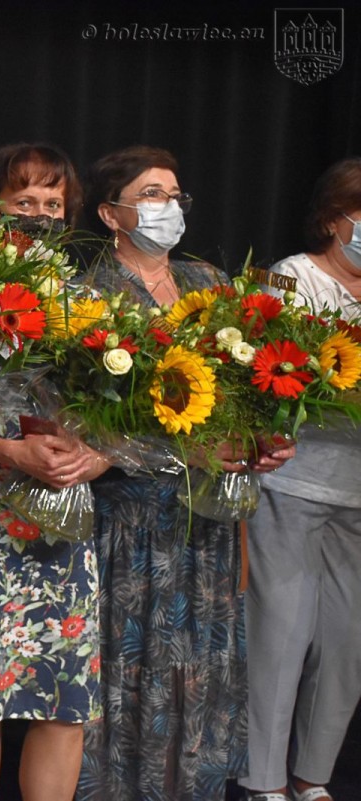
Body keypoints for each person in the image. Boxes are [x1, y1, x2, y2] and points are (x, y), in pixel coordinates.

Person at [75, 145, 294, 801]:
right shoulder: (89, 291)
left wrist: (262, 436)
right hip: (130, 522)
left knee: (197, 671)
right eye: (150, 194)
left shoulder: (212, 285)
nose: (168, 206)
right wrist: (183, 453)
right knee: (132, 668)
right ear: (111, 214)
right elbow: (84, 422)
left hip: (207, 521)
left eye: (174, 195)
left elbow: (244, 391)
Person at [0, 143, 106, 800]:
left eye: (53, 203)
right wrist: (13, 453)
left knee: (62, 701)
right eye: (25, 202)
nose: (42, 215)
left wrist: (96, 454)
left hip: (63, 518)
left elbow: (123, 415)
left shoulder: (90, 301)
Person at [238, 158, 361, 801]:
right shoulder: (296, 277)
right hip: (294, 484)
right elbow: (276, 376)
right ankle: (263, 783)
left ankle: (314, 779)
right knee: (281, 639)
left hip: (359, 496)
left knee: (348, 648)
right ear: (335, 219)